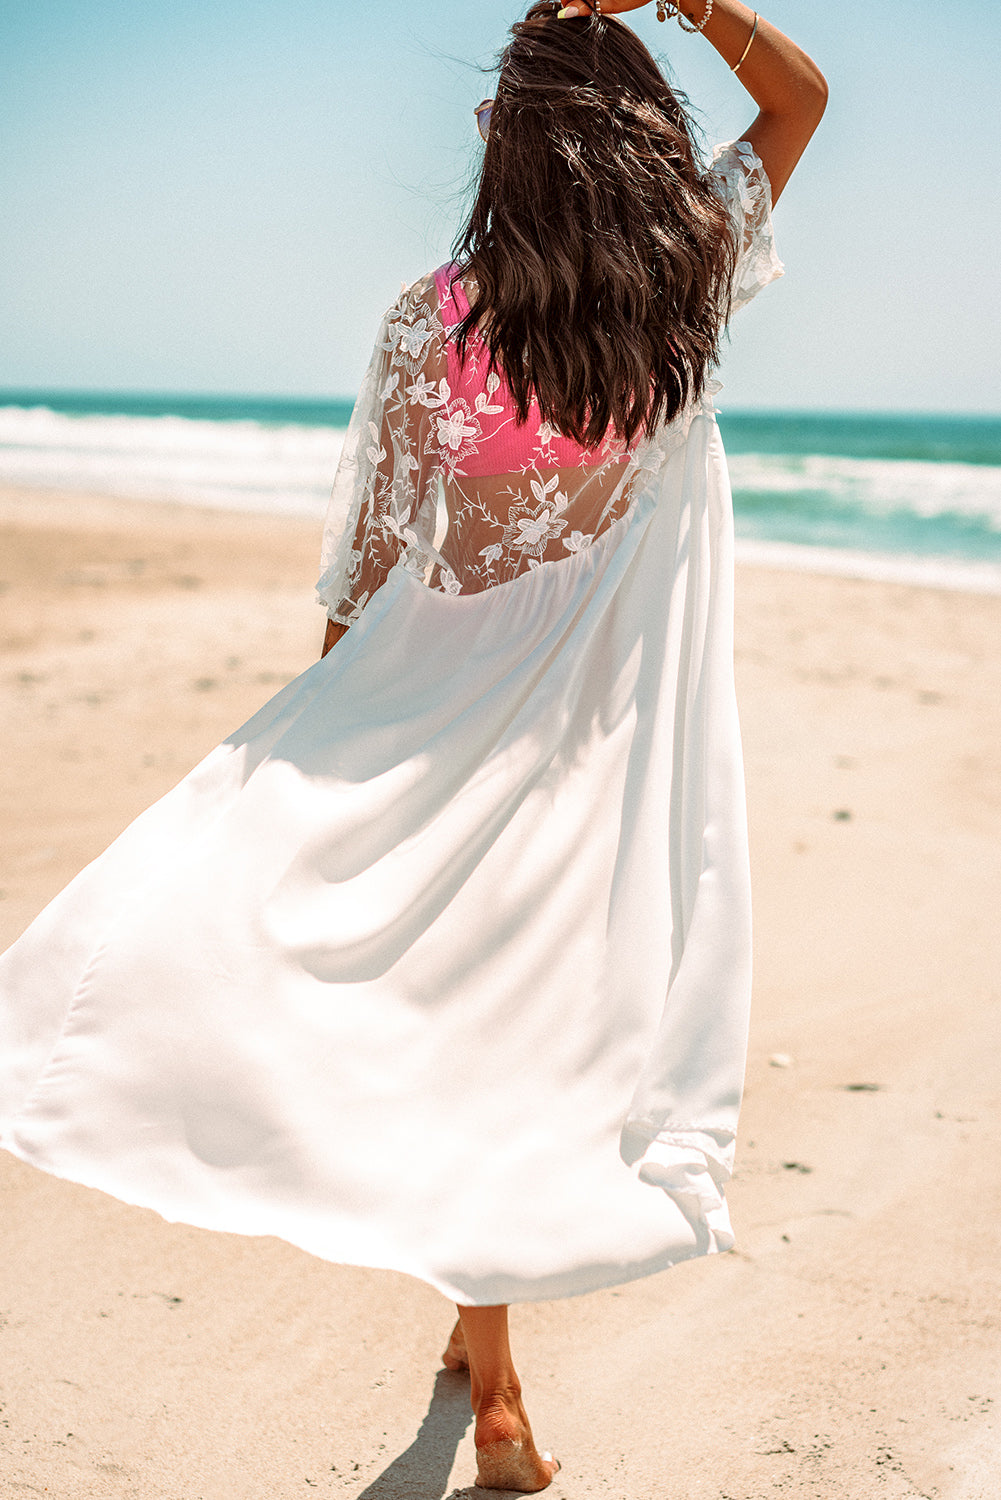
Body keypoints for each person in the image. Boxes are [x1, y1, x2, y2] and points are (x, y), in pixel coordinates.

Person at [0, 0, 825, 1491]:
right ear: (634, 135)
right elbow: (798, 101)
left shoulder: (432, 315)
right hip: (588, 711)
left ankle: (489, 1362)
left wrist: (323, 717)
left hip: (437, 686)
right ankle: (490, 1379)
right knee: (521, 1018)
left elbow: (375, 557)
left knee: (438, 1010)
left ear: (505, 142)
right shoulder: (688, 275)